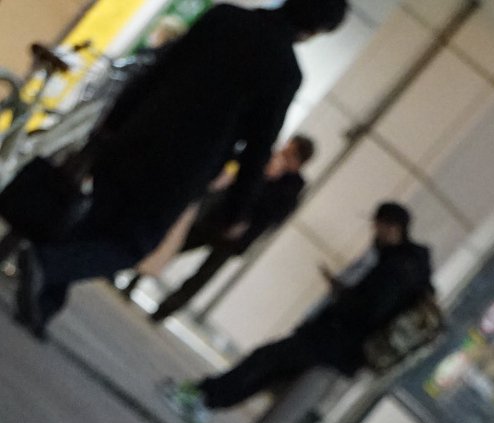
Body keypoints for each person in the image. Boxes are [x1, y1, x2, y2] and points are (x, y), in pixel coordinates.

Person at [14, 0, 348, 338]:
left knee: (96, 220)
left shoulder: (224, 17)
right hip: (186, 165)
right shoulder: (285, 71)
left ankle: (42, 304)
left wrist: (115, 120)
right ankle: (47, 264)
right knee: (133, 244)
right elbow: (258, 147)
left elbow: (160, 68)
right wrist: (236, 211)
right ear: (314, 30)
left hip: (139, 133)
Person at [162, 201, 433, 423]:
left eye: (377, 225)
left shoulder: (398, 268)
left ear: (391, 227)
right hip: (343, 347)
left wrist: (342, 298)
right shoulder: (414, 268)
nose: (374, 232)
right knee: (268, 371)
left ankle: (202, 397)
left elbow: (369, 309)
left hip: (335, 341)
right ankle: (205, 402)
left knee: (264, 359)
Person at [125, 134, 315, 320]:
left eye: (290, 153)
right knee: (172, 246)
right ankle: (136, 276)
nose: (283, 153)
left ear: (298, 162)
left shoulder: (293, 186)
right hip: (217, 218)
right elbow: (235, 175)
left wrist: (246, 222)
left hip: (237, 237)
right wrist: (264, 174)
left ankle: (165, 310)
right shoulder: (265, 158)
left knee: (202, 276)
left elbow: (273, 216)